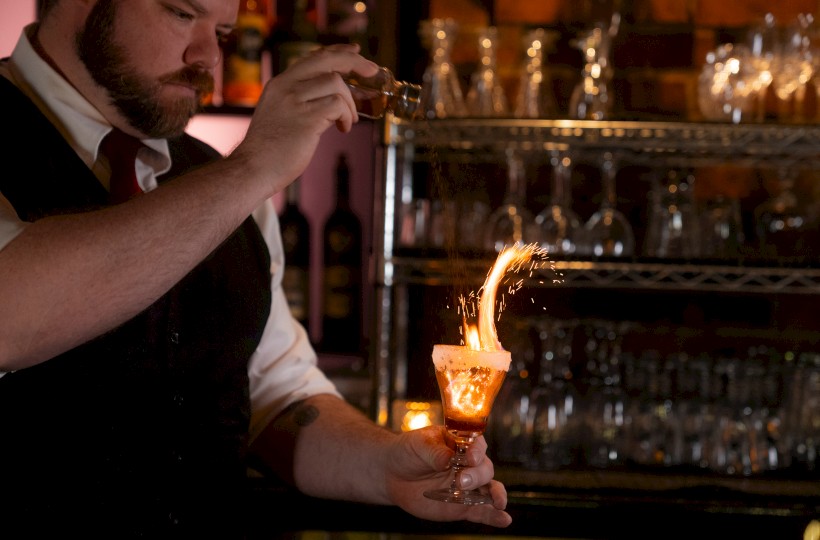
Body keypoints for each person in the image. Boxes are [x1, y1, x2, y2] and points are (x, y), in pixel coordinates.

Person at [0, 0, 512, 536]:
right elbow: (6, 314)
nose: (208, 57)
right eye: (181, 13)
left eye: (221, 31)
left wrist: (386, 467)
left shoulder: (222, 182)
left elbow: (276, 397)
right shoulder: (237, 180)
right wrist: (254, 167)